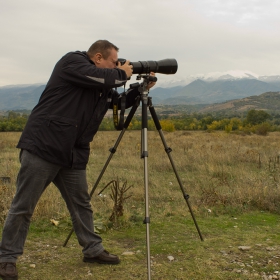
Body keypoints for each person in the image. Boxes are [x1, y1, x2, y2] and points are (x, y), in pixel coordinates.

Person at [0, 39, 156, 280]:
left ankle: (92, 249)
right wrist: (122, 73)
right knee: (23, 206)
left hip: (73, 152)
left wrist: (141, 89)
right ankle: (7, 258)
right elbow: (107, 78)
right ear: (97, 58)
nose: (120, 65)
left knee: (81, 203)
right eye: (114, 61)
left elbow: (117, 103)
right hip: (45, 146)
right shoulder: (72, 63)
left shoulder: (101, 83)